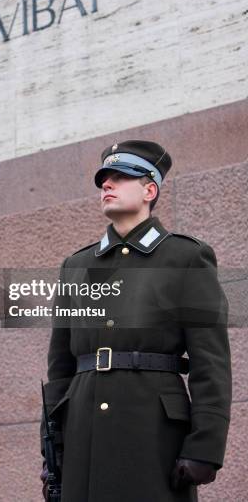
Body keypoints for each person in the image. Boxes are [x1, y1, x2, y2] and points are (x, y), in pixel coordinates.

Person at [40, 139, 232, 502]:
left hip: (153, 434)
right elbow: (59, 369)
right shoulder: (75, 267)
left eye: (119, 177)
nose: (106, 185)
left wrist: (205, 446)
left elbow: (211, 363)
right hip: (83, 435)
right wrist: (51, 447)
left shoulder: (185, 258)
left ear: (149, 189)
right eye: (103, 179)